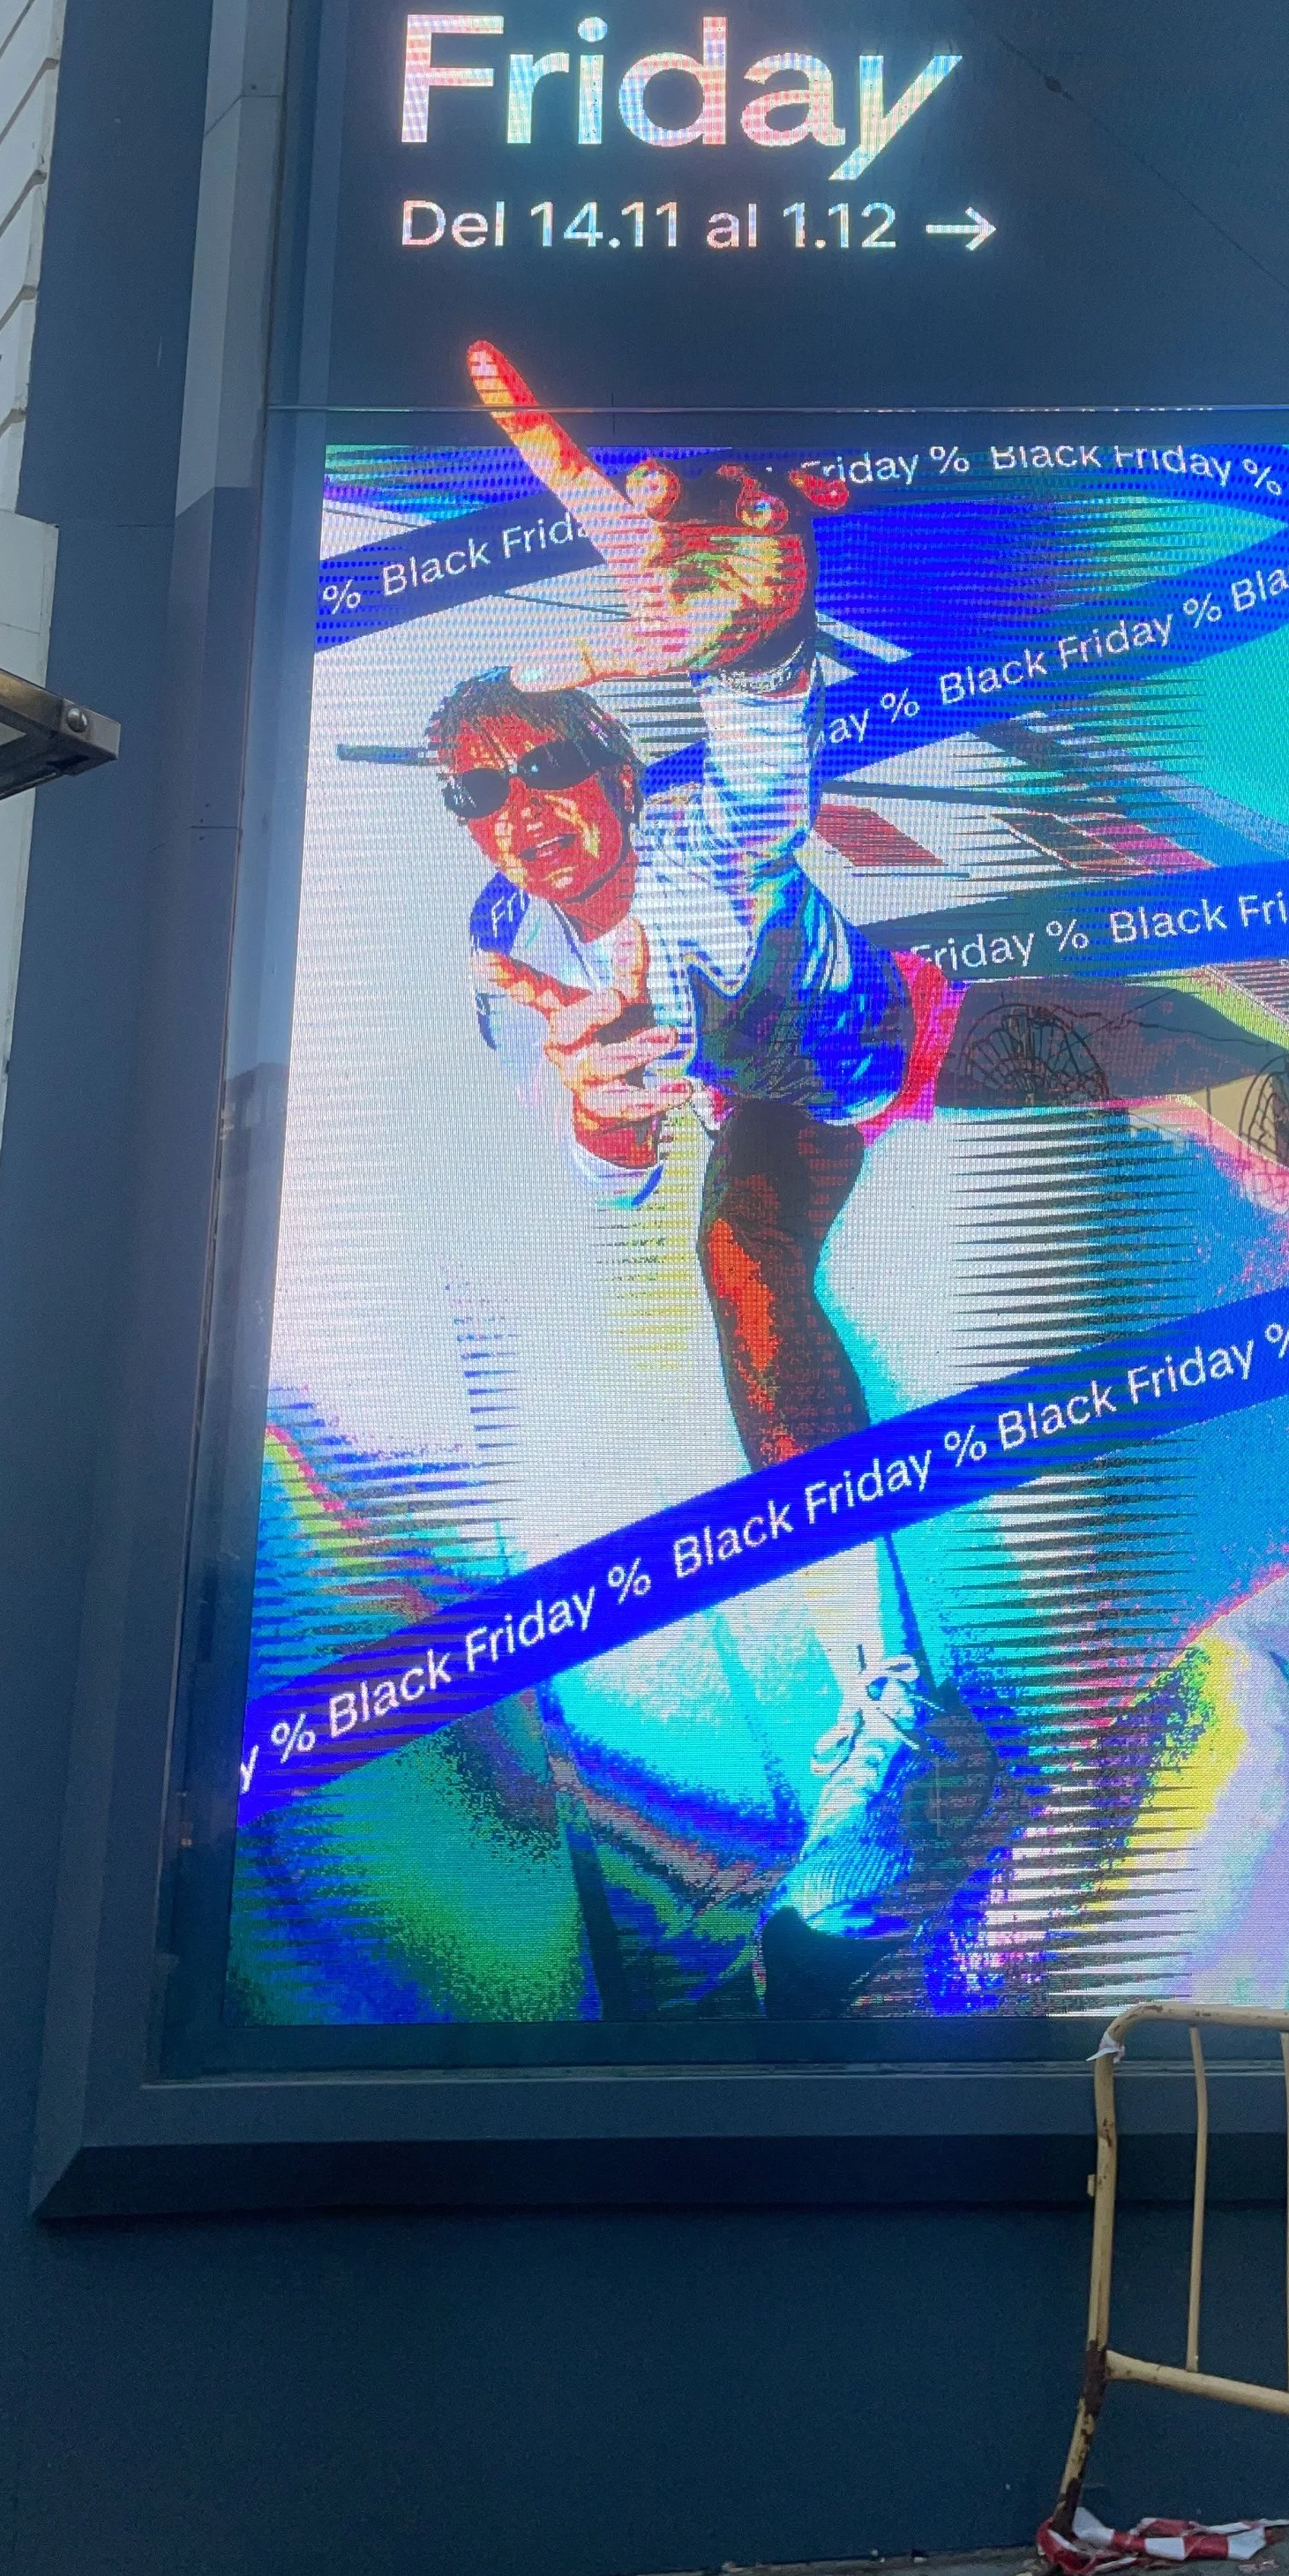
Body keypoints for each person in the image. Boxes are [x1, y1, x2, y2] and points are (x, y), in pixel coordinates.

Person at [431, 342, 1020, 2016]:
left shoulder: (711, 844)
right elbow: (607, 1172)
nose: (520, 809)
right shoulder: (512, 953)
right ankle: (894, 1712)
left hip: (893, 1039)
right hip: (787, 1089)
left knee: (1197, 1065)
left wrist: (752, 635)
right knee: (743, 1264)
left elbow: (766, 753)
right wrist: (607, 1120)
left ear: (618, 770)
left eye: (545, 764)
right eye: (480, 791)